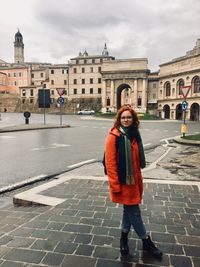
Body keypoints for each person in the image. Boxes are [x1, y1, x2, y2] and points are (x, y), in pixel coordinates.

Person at [105, 105, 162, 258]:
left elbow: (137, 161)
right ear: (119, 119)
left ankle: (123, 239)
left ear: (134, 119)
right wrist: (114, 184)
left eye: (129, 117)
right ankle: (146, 241)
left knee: (128, 211)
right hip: (123, 182)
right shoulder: (114, 136)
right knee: (134, 212)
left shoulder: (135, 135)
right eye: (123, 117)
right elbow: (110, 164)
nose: (126, 120)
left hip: (134, 180)